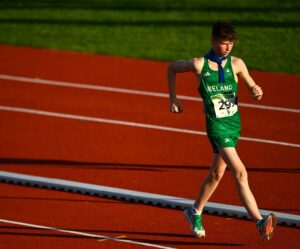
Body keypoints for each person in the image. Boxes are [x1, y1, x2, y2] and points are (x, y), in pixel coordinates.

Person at [166, 20, 277, 240]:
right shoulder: (199, 65)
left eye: (231, 43)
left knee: (216, 174)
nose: (228, 47)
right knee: (240, 172)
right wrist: (173, 98)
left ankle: (194, 211)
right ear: (213, 41)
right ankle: (259, 221)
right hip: (216, 127)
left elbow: (254, 89)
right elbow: (171, 68)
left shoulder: (237, 64)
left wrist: (257, 92)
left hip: (234, 125)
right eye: (224, 43)